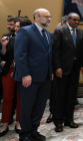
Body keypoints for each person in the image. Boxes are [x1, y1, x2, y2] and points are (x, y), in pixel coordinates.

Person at [13, 8, 54, 141]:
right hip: (29, 78)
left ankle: (34, 131)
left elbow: (49, 56)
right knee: (27, 107)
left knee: (40, 106)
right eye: (46, 16)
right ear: (36, 17)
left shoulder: (48, 34)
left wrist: (51, 72)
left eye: (50, 17)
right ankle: (25, 135)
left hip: (45, 78)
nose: (49, 19)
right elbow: (20, 54)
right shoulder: (25, 31)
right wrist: (25, 74)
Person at [51, 13, 83, 132]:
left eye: (78, 20)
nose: (77, 22)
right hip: (62, 69)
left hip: (75, 69)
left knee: (71, 95)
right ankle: (58, 121)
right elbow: (55, 51)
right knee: (59, 96)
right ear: (68, 20)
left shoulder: (81, 32)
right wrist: (57, 67)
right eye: (74, 20)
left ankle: (69, 119)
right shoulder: (60, 31)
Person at [0, 17, 21, 137]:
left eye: (18, 26)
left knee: (20, 98)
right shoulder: (7, 36)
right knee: (7, 98)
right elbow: (3, 54)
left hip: (22, 71)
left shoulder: (27, 38)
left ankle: (19, 123)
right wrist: (4, 46)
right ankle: (5, 125)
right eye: (15, 26)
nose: (16, 28)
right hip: (9, 70)